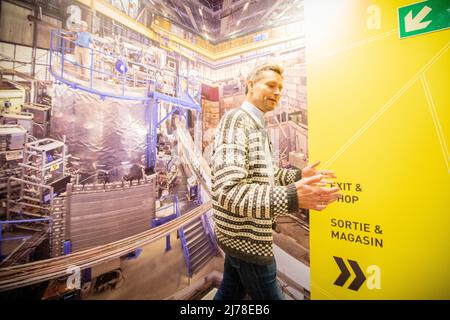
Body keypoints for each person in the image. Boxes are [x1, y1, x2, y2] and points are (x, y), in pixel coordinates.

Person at [211, 63, 340, 300]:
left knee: (230, 292)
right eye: (271, 85)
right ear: (251, 85)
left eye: (280, 88)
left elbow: (266, 176)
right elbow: (228, 191)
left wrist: (300, 176)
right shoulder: (236, 120)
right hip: (248, 238)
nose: (277, 92)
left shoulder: (258, 124)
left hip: (242, 236)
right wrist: (292, 196)